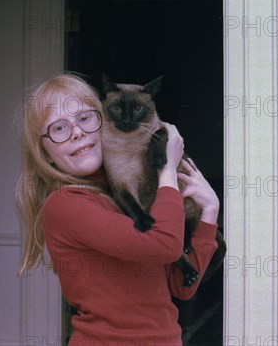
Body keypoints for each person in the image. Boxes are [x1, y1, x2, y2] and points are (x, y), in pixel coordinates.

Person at [17, 73, 220, 346]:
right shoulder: (66, 204)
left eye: (85, 118)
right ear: (44, 153)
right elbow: (165, 247)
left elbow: (181, 287)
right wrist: (168, 169)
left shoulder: (118, 197)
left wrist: (209, 212)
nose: (77, 131)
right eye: (59, 128)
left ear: (101, 120)